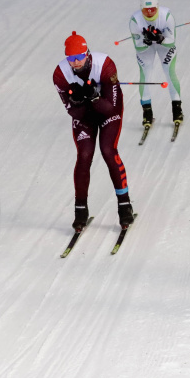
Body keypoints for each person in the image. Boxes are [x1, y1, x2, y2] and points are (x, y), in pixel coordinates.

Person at [53, 31, 135, 230]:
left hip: (107, 109)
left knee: (108, 150)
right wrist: (77, 100)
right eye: (71, 59)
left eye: (79, 57)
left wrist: (95, 96)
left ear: (87, 54)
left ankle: (124, 206)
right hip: (85, 115)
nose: (75, 63)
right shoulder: (60, 74)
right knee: (84, 155)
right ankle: (80, 210)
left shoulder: (105, 65)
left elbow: (112, 109)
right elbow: (75, 114)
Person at [128, 0, 183, 126]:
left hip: (164, 45)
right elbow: (138, 47)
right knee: (145, 73)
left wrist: (160, 38)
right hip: (146, 48)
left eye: (153, 9)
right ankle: (147, 112)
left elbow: (171, 42)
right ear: (141, 9)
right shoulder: (135, 20)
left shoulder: (167, 16)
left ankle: (177, 109)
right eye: (146, 10)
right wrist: (145, 41)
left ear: (158, 7)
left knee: (169, 71)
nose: (150, 12)